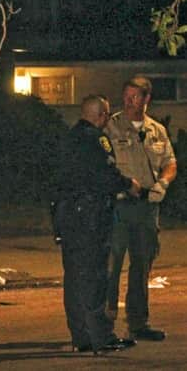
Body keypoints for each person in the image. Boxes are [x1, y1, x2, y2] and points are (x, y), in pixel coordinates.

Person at [53, 94, 140, 355]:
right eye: (106, 114)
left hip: (68, 215)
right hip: (90, 217)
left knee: (74, 276)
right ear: (100, 115)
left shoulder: (69, 137)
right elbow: (105, 174)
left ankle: (80, 336)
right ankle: (102, 336)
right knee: (94, 276)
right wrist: (129, 185)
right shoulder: (95, 139)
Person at [105, 76, 177, 341]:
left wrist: (163, 184)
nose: (128, 101)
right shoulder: (111, 126)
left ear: (147, 99)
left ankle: (138, 323)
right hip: (119, 206)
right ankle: (105, 324)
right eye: (126, 96)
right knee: (111, 265)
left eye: (135, 96)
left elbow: (170, 162)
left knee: (142, 265)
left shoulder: (157, 129)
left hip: (147, 207)